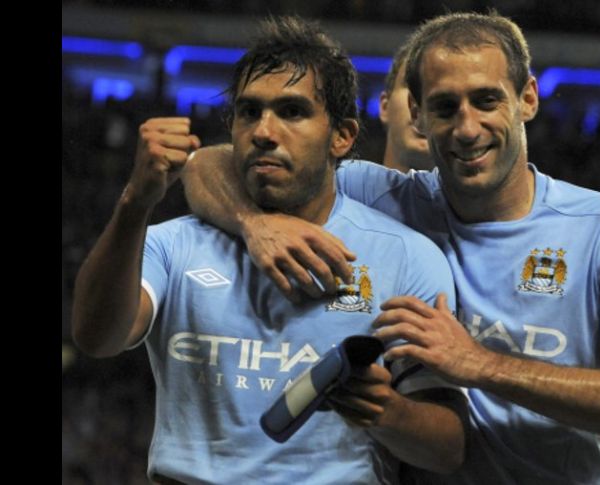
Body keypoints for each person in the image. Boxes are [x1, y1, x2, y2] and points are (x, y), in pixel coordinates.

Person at [183, 11, 600, 484]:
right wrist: (255, 223)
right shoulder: (378, 198)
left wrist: (478, 363)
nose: (467, 128)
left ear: (527, 99)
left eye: (486, 100)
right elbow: (208, 164)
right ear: (419, 117)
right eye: (446, 107)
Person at [71, 16, 466, 484]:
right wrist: (135, 203)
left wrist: (390, 412)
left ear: (341, 136)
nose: (264, 130)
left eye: (292, 112)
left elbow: (450, 448)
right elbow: (96, 338)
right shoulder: (172, 243)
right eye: (249, 112)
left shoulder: (406, 257)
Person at [379, 42, 434, 172]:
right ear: (385, 107)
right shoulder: (339, 189)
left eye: (440, 93)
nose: (422, 102)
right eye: (413, 86)